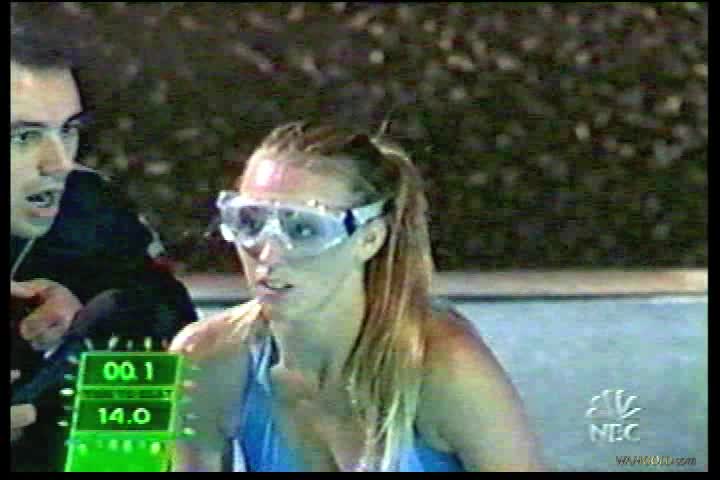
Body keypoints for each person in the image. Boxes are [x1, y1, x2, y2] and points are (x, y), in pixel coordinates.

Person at [169, 121, 545, 471]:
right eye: (249, 222)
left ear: (369, 239)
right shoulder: (206, 359)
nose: (268, 254)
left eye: (304, 229)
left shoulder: (445, 369)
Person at [10, 13, 198, 472]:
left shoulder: (90, 215)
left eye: (68, 130)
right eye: (24, 136)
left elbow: (167, 330)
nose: (59, 162)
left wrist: (85, 333)